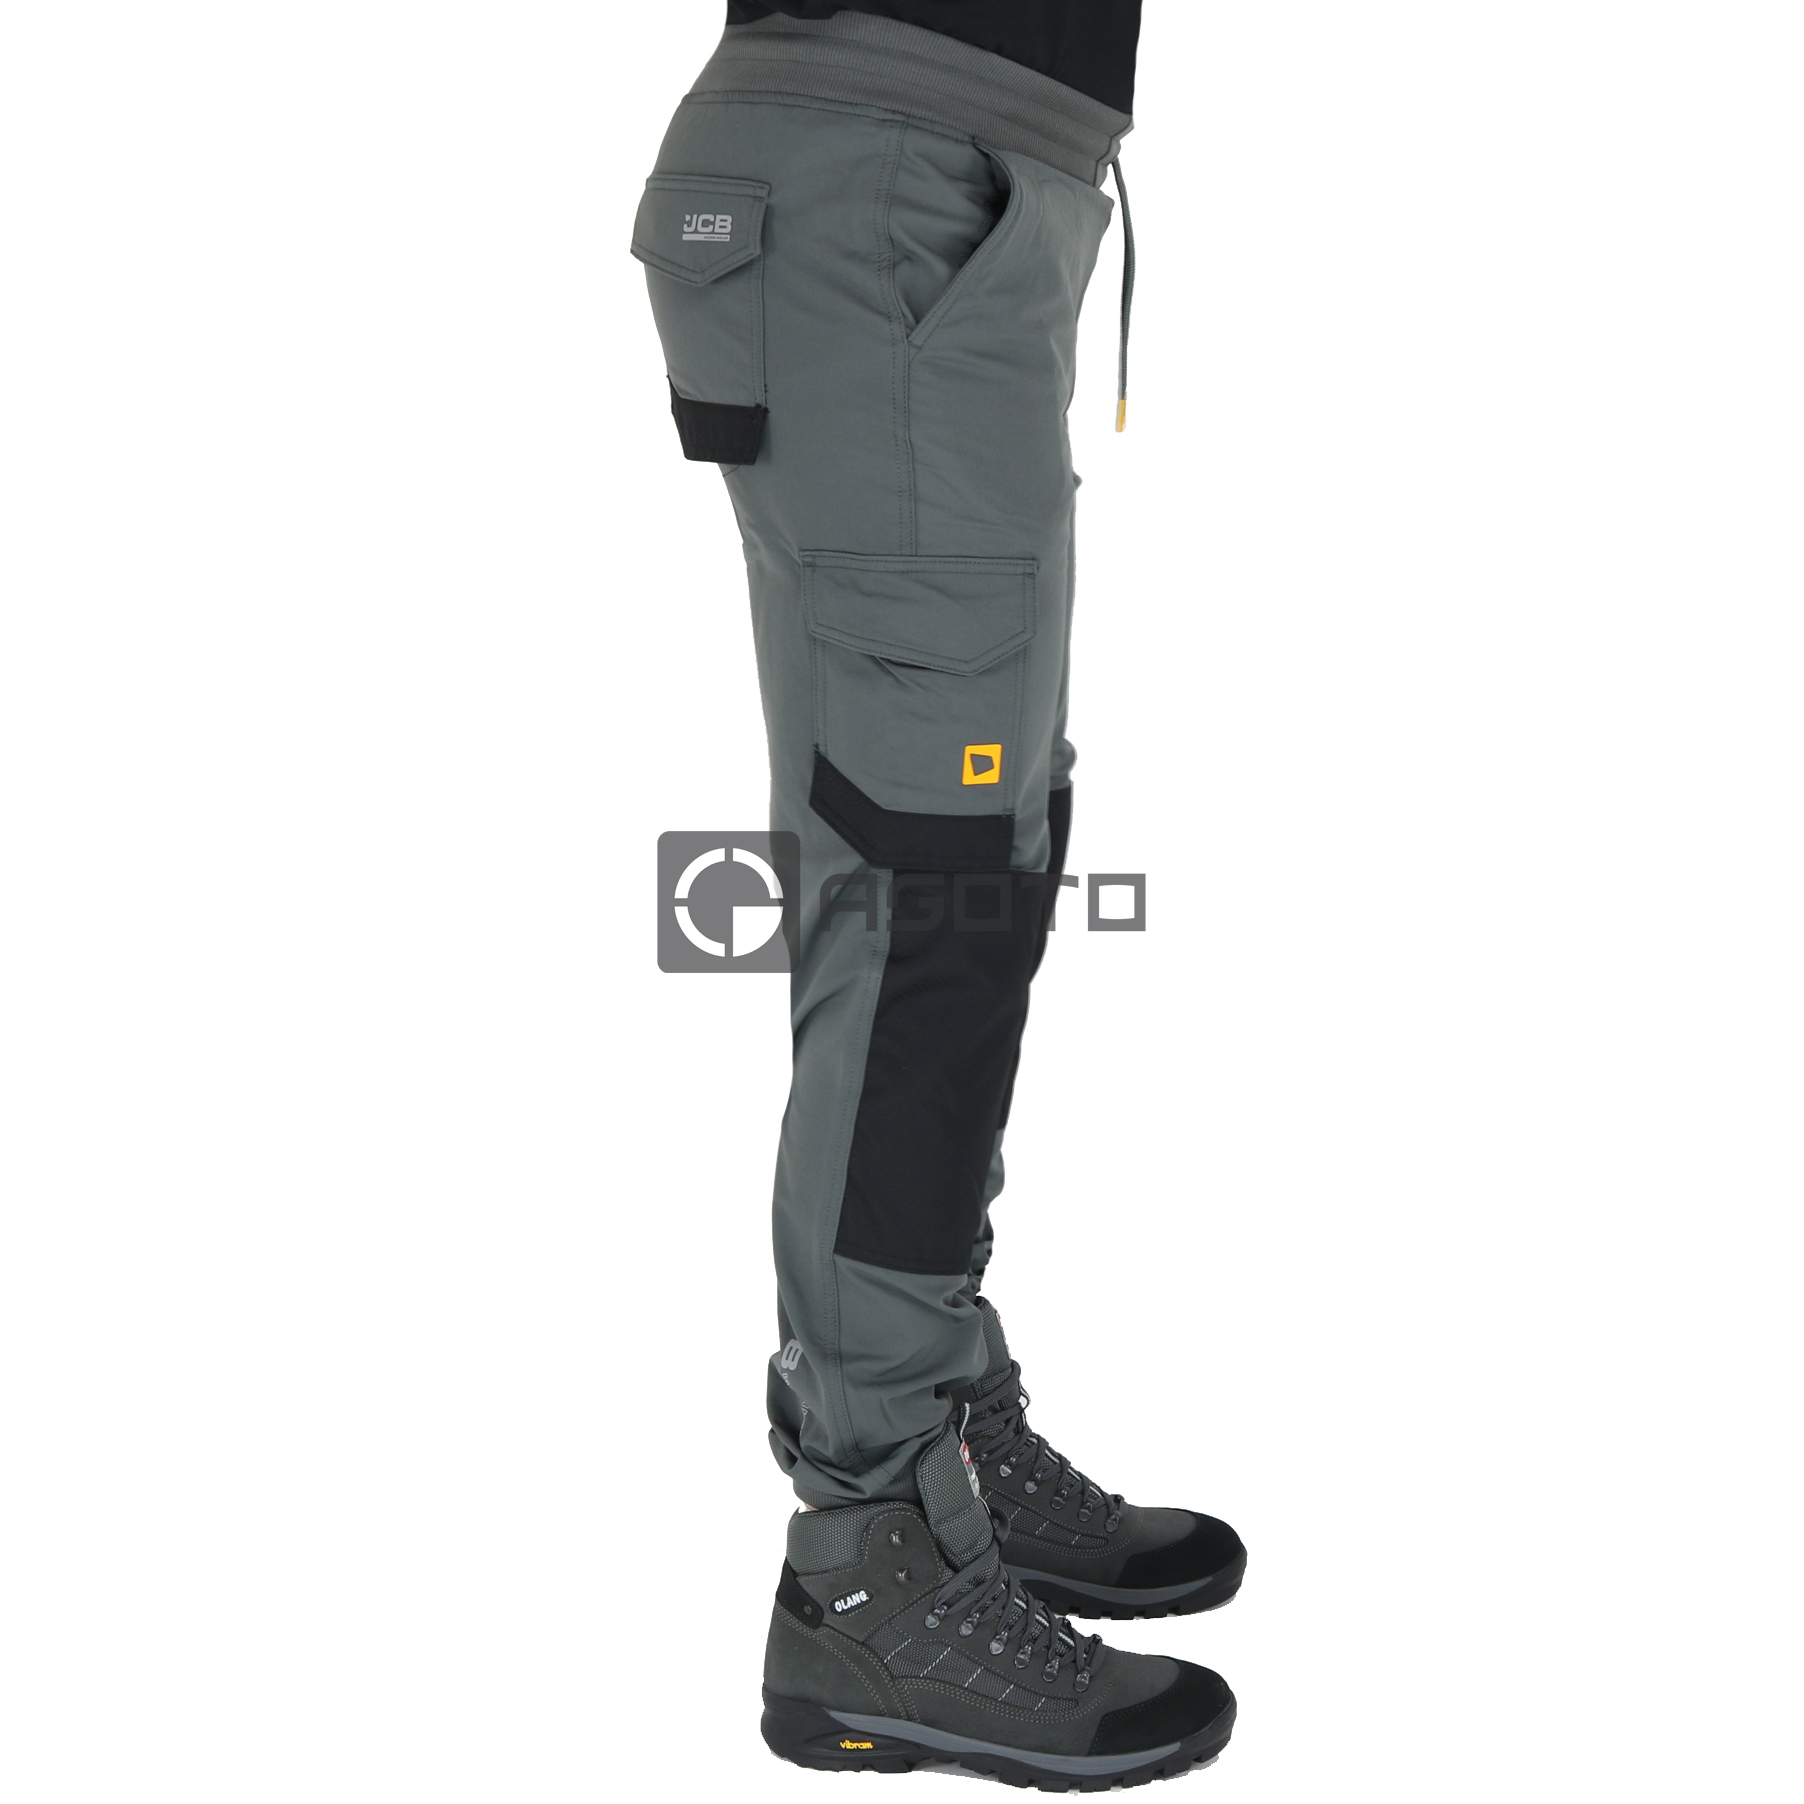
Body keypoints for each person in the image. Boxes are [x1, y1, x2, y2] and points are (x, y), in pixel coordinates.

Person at [634, 3, 1245, 1783]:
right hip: (897, 181)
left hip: (945, 189)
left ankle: (935, 1421)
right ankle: (874, 1552)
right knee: (930, 897)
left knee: (987, 849)